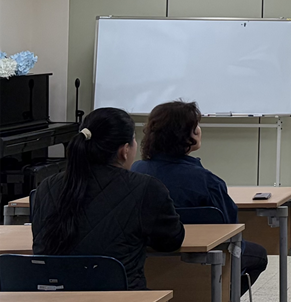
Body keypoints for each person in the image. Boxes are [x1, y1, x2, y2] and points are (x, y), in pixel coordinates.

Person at [130, 100, 269, 302]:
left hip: (143, 269)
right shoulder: (207, 181)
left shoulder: (135, 172)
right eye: (196, 126)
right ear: (187, 135)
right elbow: (230, 232)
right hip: (203, 270)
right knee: (256, 255)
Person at [31, 107, 185, 291]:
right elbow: (171, 240)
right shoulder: (146, 188)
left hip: (53, 301)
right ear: (124, 150)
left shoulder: (46, 187)